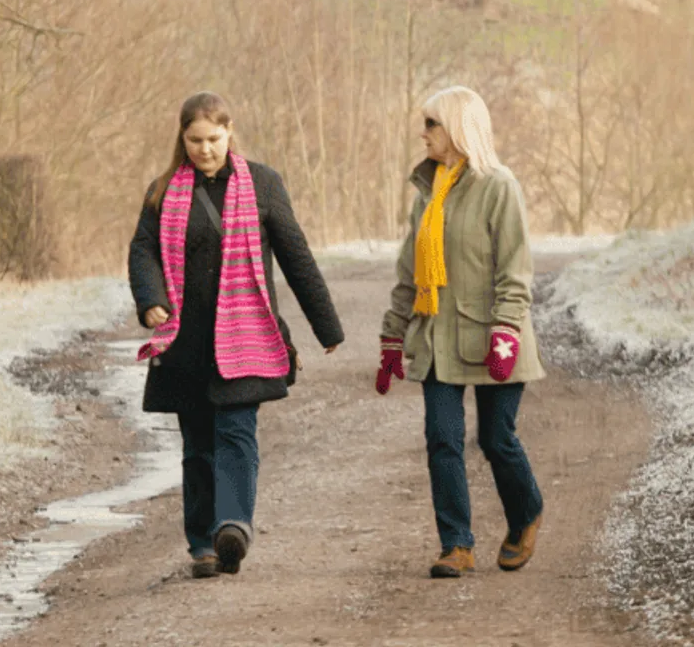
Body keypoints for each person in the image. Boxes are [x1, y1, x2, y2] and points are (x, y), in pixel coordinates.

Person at [128, 92, 343, 579]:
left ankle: (233, 526)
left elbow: (296, 255)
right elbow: (143, 251)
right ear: (181, 139)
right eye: (194, 140)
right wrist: (150, 299)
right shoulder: (162, 191)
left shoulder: (263, 184)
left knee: (237, 433)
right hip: (185, 341)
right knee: (198, 444)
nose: (204, 149)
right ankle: (203, 544)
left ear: (230, 133)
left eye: (213, 139)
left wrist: (324, 325)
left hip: (246, 335)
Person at [375, 85, 546, 579]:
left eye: (432, 123)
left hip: (494, 336)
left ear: (458, 128)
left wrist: (507, 331)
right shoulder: (427, 192)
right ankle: (457, 545)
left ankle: (526, 511)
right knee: (442, 439)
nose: (423, 133)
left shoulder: (499, 186)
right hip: (436, 340)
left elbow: (515, 270)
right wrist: (392, 337)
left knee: (496, 439)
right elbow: (409, 274)